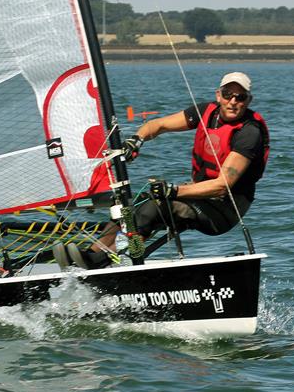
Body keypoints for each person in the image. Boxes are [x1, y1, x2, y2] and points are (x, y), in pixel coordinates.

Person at [54, 72, 269, 269]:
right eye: (228, 94)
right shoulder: (206, 111)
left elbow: (222, 186)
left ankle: (105, 260)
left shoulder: (249, 133)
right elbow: (157, 125)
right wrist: (135, 141)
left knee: (154, 208)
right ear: (219, 95)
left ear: (248, 101)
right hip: (198, 198)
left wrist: (173, 191)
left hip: (223, 211)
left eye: (240, 97)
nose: (233, 101)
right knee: (128, 204)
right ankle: (90, 256)